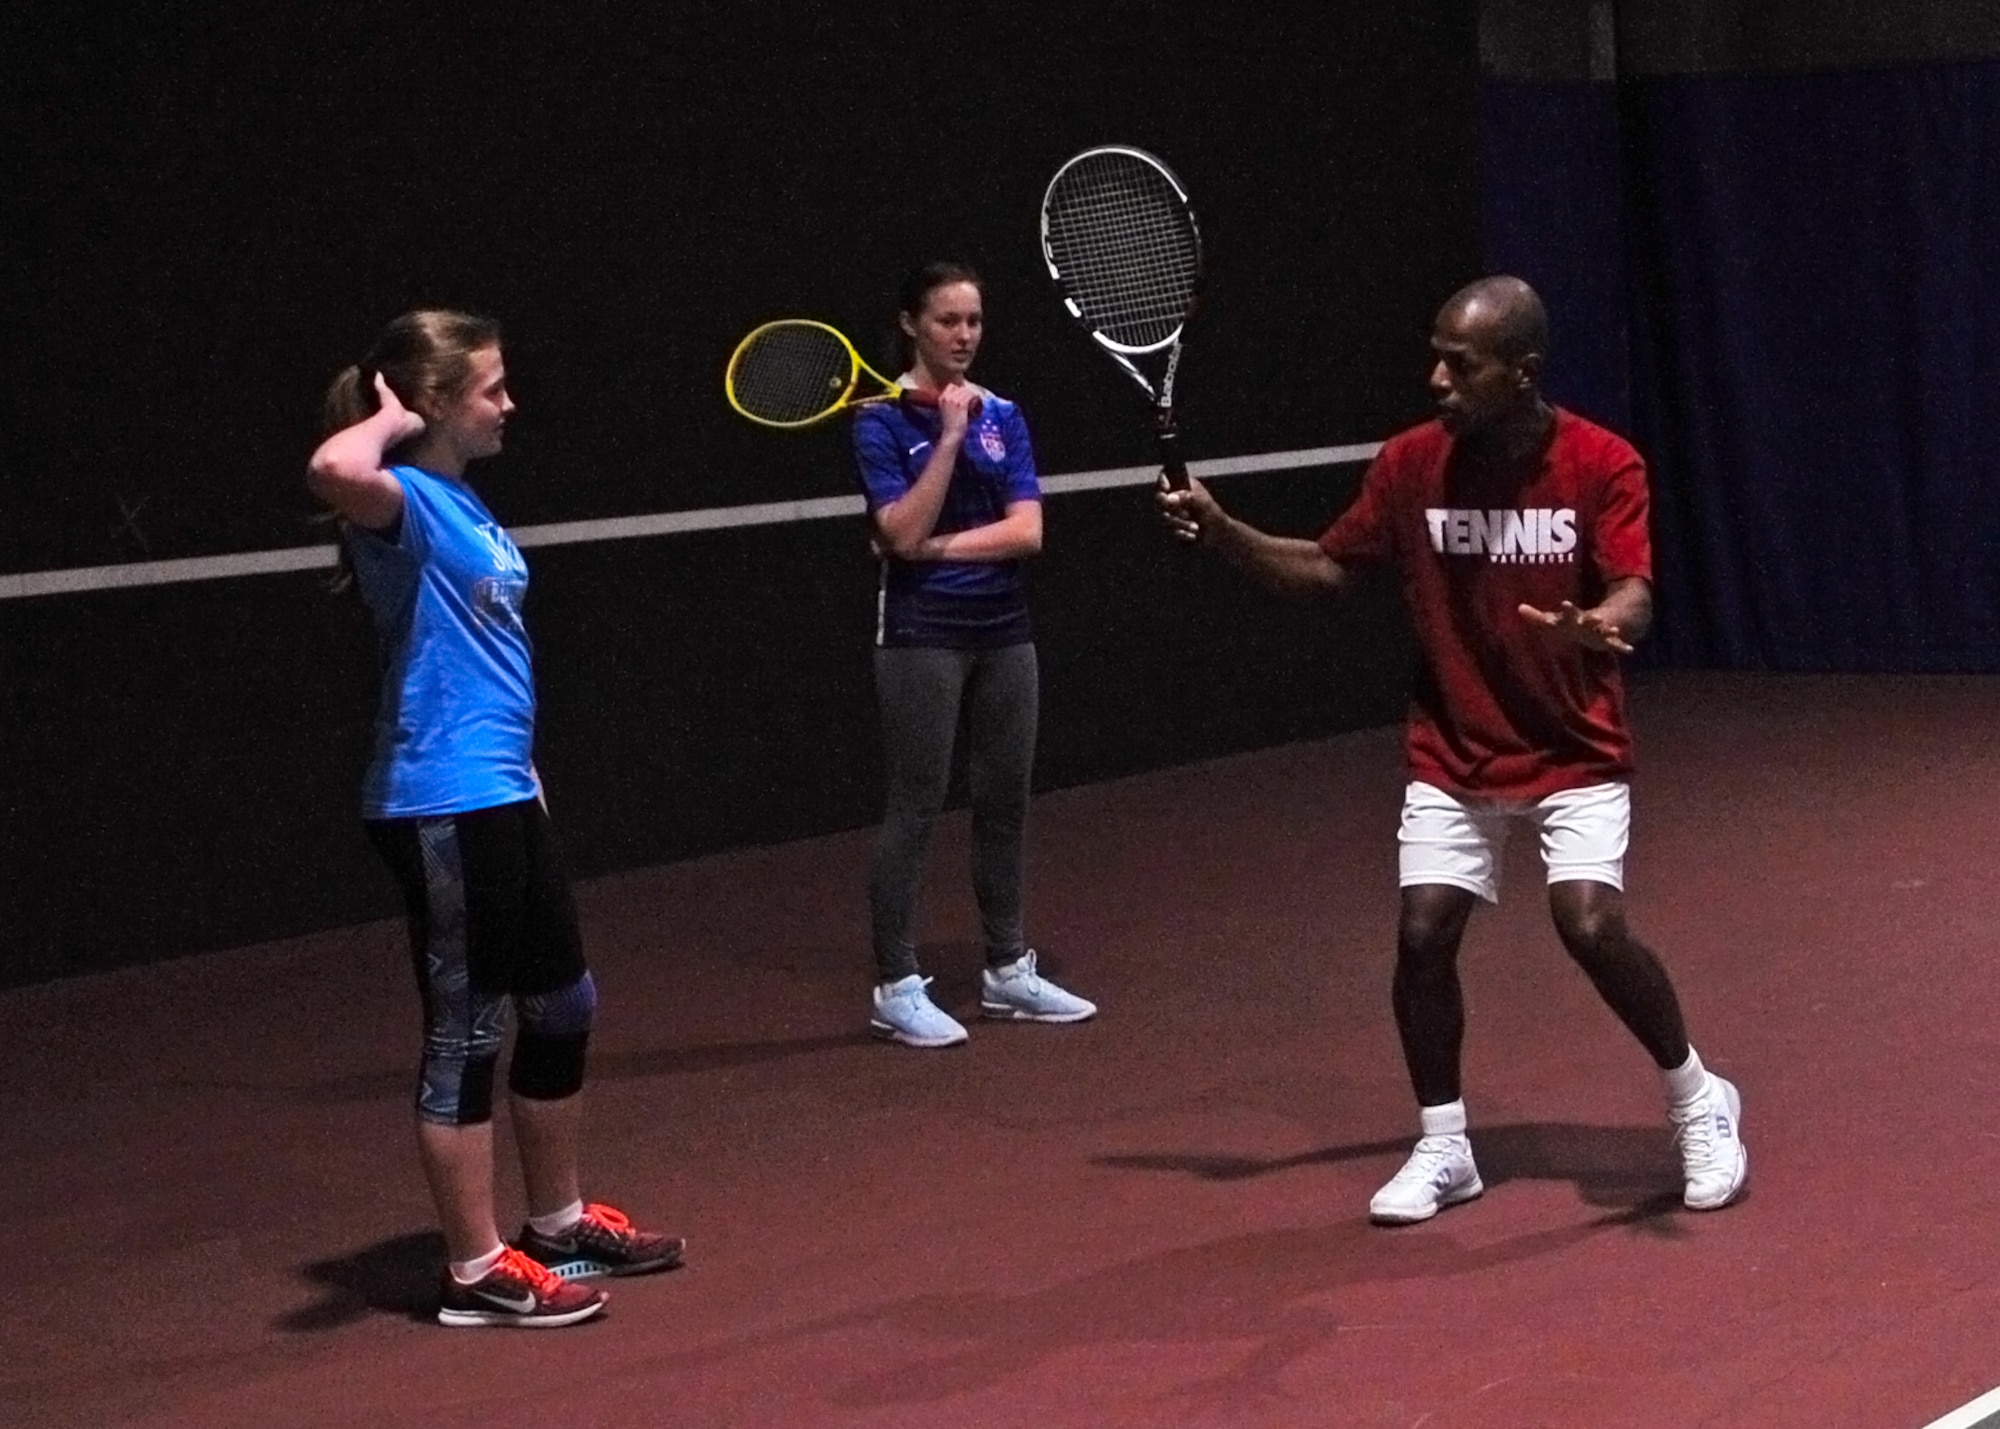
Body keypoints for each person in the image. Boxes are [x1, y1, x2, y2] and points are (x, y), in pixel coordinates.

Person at [1158, 275, 1747, 1222]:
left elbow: (1634, 588)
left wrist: (1594, 624)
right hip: (1456, 746)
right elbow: (1324, 566)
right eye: (1434, 355)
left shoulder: (1604, 462)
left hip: (1574, 747)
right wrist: (1225, 533)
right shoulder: (1408, 464)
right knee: (1423, 934)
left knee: (1589, 923)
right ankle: (1445, 1146)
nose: (1436, 378)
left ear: (1521, 373)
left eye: (1459, 364)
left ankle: (1698, 1099)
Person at [307, 309, 684, 1327]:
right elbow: (332, 470)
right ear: (431, 401)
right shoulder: (406, 503)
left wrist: (528, 777)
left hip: (503, 790)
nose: (509, 403)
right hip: (436, 801)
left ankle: (554, 1221)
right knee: (465, 1033)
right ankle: (473, 1270)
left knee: (563, 1002)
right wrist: (387, 419)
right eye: (491, 388)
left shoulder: (466, 509)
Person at [851, 261, 1097, 1047]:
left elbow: (1027, 532)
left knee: (1006, 799)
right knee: (916, 803)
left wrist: (928, 546)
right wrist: (950, 438)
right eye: (948, 320)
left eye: (975, 321)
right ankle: (895, 984)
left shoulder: (1008, 415)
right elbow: (898, 529)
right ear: (911, 325)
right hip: (921, 636)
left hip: (1004, 630)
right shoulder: (877, 420)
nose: (964, 335)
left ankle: (1006, 972)